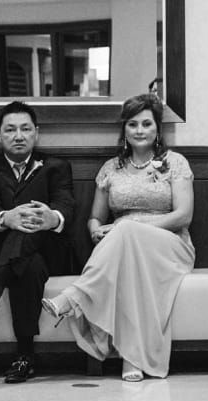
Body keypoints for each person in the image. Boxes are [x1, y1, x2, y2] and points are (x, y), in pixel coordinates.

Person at [41, 93, 194, 381]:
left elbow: (183, 216)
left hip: (170, 245)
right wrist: (95, 230)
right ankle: (130, 359)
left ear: (157, 129)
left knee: (125, 228)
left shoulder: (175, 163)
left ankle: (75, 296)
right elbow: (95, 218)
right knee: (127, 260)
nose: (139, 130)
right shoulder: (111, 168)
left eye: (146, 124)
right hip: (123, 247)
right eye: (133, 124)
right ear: (124, 129)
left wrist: (133, 225)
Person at [0, 101, 74, 383]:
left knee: (32, 235)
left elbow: (66, 205)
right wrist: (6, 217)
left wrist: (52, 217)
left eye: (25, 129)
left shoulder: (56, 167)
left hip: (49, 251)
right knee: (28, 264)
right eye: (10, 130)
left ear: (37, 132)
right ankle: (26, 356)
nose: (18, 135)